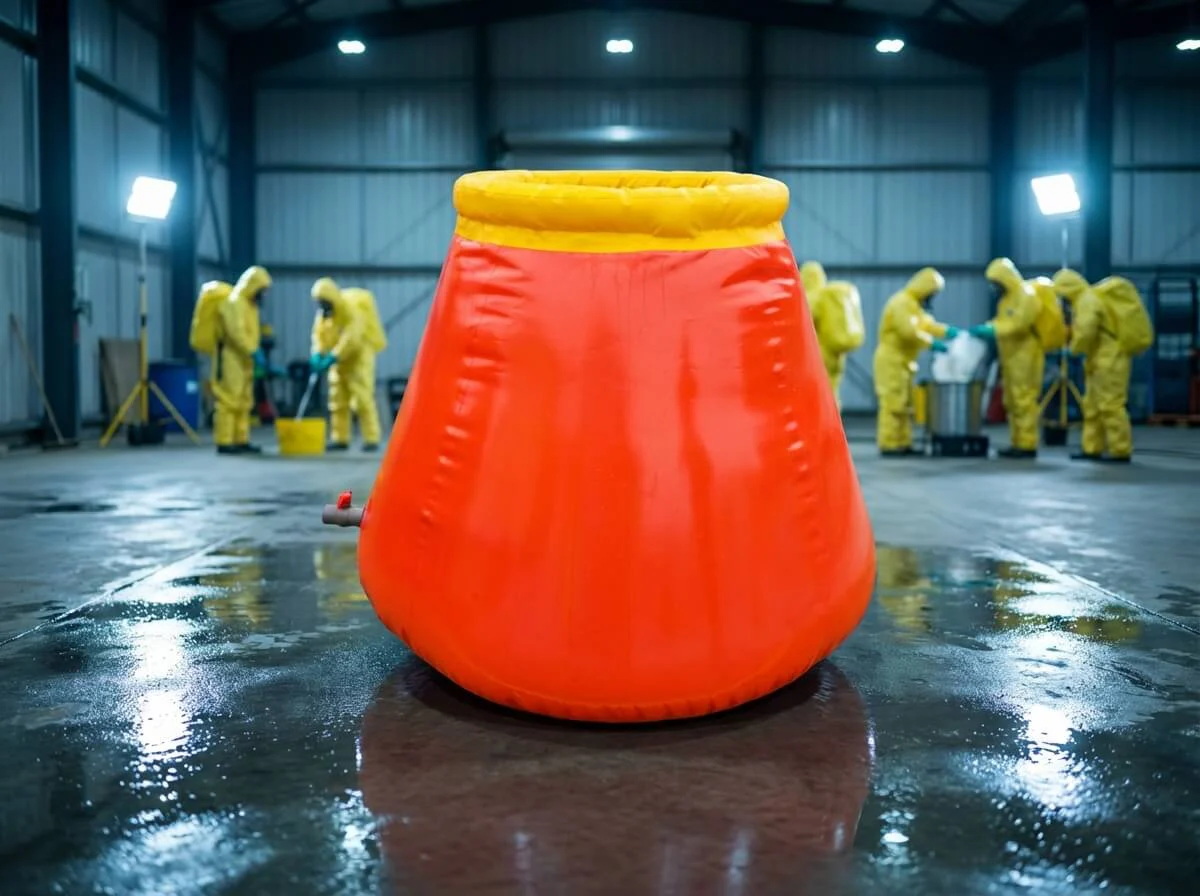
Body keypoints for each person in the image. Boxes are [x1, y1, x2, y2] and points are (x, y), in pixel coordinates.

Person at [1052, 269, 1134, 463]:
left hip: (1110, 359)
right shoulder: (1085, 300)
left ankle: (1120, 450)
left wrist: (1072, 349)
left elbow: (1086, 332)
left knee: (1111, 405)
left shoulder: (1087, 300)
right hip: (1098, 359)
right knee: (1093, 406)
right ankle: (1092, 448)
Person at [874, 267, 958, 456]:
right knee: (893, 404)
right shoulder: (901, 303)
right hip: (891, 361)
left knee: (905, 405)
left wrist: (946, 331)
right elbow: (909, 332)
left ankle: (903, 443)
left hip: (904, 362)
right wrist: (932, 343)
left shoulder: (913, 305)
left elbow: (926, 324)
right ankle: (889, 444)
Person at [970, 258, 1042, 459]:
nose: (994, 287)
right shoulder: (1006, 299)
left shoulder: (1026, 296)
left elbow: (1019, 324)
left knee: (1024, 400)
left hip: (1026, 356)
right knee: (1011, 401)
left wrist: (992, 329)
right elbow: (1002, 321)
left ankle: (1027, 444)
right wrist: (988, 326)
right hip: (1010, 357)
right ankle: (1017, 442)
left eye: (996, 282)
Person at [310, 278, 386, 452]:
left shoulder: (351, 309)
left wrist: (333, 356)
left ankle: (371, 438)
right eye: (319, 302)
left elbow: (353, 337)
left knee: (362, 398)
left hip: (359, 357)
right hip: (338, 360)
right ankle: (340, 439)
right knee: (337, 401)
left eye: (324, 301)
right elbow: (318, 335)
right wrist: (316, 352)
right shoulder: (324, 314)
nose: (322, 305)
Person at [213, 265, 272, 455]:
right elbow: (236, 333)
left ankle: (241, 439)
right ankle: (224, 441)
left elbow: (250, 333)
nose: (262, 295)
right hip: (232, 357)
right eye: (261, 290)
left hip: (245, 359)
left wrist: (254, 353)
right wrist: (253, 351)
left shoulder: (250, 305)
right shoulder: (234, 302)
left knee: (245, 401)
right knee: (230, 399)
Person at [800, 261, 865, 409]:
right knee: (832, 392)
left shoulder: (812, 298)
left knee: (816, 397)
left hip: (818, 356)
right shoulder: (828, 297)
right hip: (836, 355)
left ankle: (820, 429)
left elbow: (805, 320)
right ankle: (833, 427)